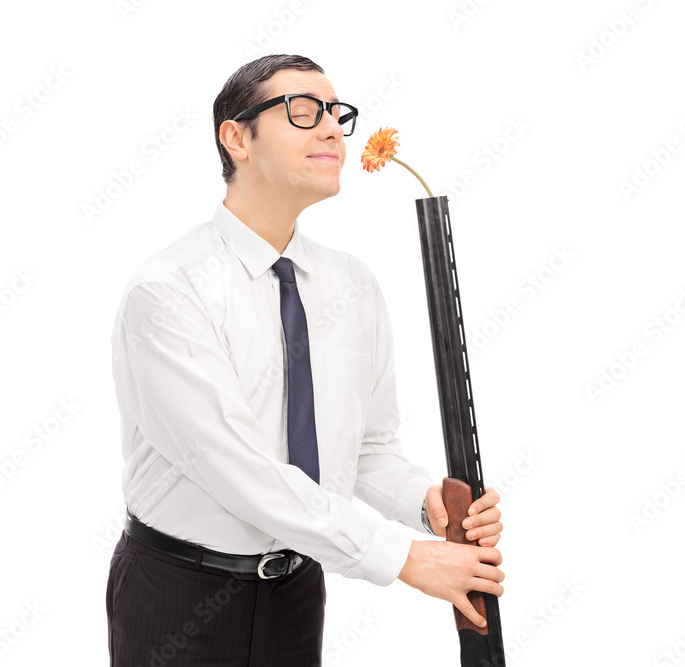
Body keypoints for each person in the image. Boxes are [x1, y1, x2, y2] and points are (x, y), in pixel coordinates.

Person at [105, 54, 504, 666]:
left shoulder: (352, 285)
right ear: (237, 138)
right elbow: (239, 471)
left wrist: (422, 503)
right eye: (303, 110)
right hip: (179, 593)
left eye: (336, 114)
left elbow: (365, 450)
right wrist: (404, 558)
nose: (331, 129)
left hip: (296, 590)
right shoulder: (167, 292)